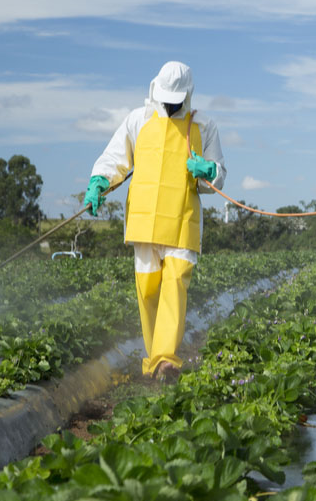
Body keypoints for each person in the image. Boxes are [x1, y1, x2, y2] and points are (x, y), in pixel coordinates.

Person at [83, 61, 226, 382]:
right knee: (148, 291)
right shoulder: (139, 120)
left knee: (175, 286)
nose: (171, 103)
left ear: (188, 94)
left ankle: (166, 361)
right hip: (144, 221)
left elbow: (218, 177)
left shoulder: (203, 125)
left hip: (182, 219)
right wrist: (98, 183)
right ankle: (154, 363)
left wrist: (209, 171)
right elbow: (114, 159)